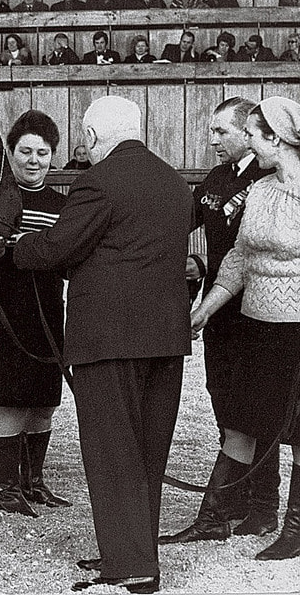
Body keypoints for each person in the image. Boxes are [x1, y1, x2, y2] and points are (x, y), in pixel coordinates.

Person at [14, 95, 192, 594]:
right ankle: (133, 551)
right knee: (146, 453)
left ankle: (132, 565)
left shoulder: (98, 180)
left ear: (92, 137)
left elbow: (59, 247)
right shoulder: (175, 182)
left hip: (108, 339)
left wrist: (16, 246)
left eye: (83, 140)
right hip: (165, 339)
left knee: (113, 452)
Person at [168, 96, 300, 563]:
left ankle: (295, 527)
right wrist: (205, 308)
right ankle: (217, 517)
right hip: (253, 322)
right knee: (242, 416)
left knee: (297, 425)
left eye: (253, 133)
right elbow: (238, 258)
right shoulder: (259, 190)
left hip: (295, 329)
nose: (241, 139)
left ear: (273, 138)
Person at [0, 110, 70, 519]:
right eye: (25, 151)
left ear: (53, 157)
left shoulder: (64, 205)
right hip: (3, 310)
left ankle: (33, 481)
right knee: (13, 400)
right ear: (10, 153)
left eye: (42, 153)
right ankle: (7, 489)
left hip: (46, 310)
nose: (34, 160)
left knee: (44, 402)